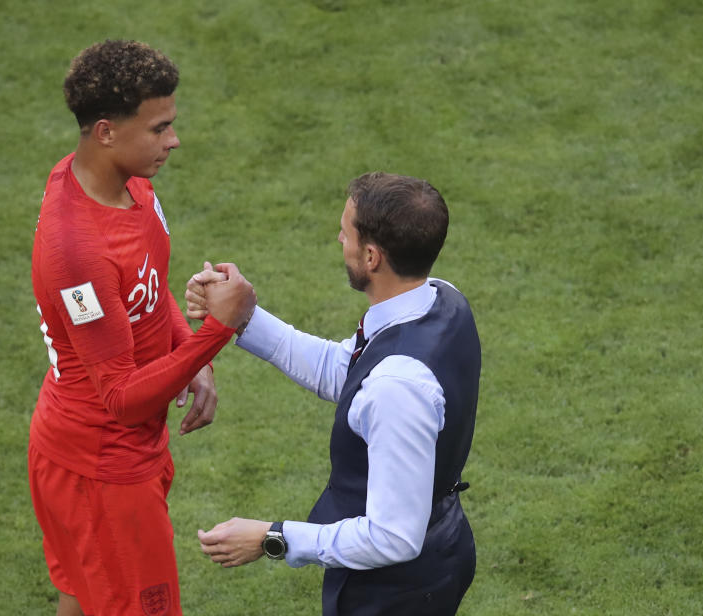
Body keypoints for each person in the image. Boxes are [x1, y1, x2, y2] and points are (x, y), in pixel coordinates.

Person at [28, 40, 255, 616]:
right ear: (105, 131)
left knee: (83, 602)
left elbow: (147, 297)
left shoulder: (129, 186)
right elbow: (123, 398)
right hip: (100, 467)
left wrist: (192, 356)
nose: (173, 140)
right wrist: (217, 332)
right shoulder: (76, 250)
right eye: (159, 128)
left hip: (109, 456)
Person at [187, 172, 481, 616]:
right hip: (437, 550)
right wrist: (242, 315)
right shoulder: (441, 298)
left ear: (371, 256)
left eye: (346, 230)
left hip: (396, 592)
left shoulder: (395, 389)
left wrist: (272, 537)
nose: (338, 237)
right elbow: (347, 370)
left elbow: (393, 537)